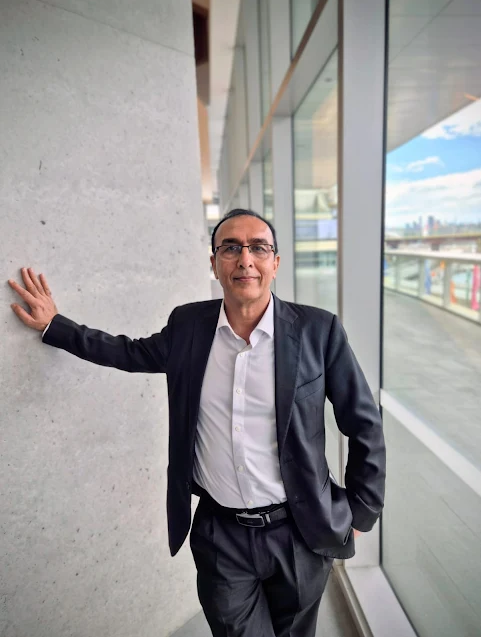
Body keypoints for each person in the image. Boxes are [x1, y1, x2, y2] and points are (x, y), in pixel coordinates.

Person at [8, 208, 386, 637]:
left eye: (258, 248)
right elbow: (128, 352)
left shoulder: (319, 330)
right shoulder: (188, 325)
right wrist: (56, 326)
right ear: (214, 262)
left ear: (275, 262)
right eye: (231, 248)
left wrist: (363, 511)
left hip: (300, 532)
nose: (245, 259)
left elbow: (364, 424)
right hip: (221, 534)